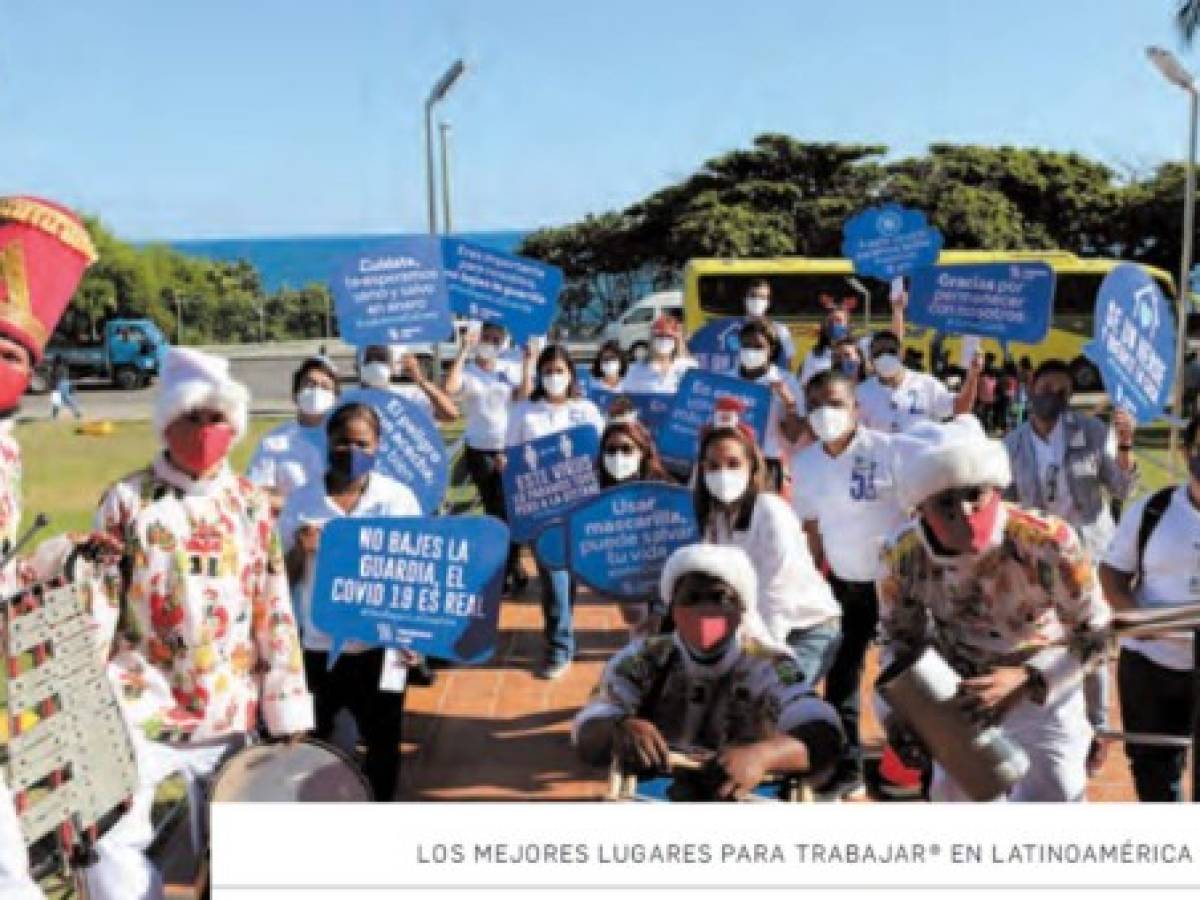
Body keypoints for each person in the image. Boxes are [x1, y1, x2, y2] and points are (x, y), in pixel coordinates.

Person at [87, 347, 313, 893]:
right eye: (193, 417)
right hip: (141, 701)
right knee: (108, 840)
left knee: (240, 846)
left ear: (233, 426)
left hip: (230, 702)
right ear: (168, 421)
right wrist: (85, 702)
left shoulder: (251, 504)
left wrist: (286, 700)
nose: (205, 430)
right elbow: (98, 604)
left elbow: (273, 605)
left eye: (217, 418)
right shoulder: (127, 500)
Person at [877, 415, 1110, 802]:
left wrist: (1027, 679)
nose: (964, 511)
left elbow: (1099, 634)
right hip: (956, 699)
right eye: (945, 501)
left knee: (1055, 801)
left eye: (975, 494)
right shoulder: (901, 556)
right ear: (920, 509)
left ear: (996, 489)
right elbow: (899, 645)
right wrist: (904, 716)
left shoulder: (1048, 542)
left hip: (1044, 691)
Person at [573, 543, 844, 801]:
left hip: (746, 791)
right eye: (692, 598)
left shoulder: (769, 664)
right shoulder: (642, 658)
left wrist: (764, 756)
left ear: (741, 609)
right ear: (673, 608)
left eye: (719, 598)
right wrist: (618, 728)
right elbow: (586, 735)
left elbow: (825, 736)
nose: (705, 610)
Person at [1003, 359, 1138, 774]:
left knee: (1092, 639)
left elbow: (1122, 488)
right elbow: (1005, 503)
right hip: (1036, 558)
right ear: (1031, 387)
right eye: (1046, 387)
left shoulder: (1092, 433)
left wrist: (1127, 445)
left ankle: (1097, 730)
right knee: (1042, 639)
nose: (1053, 397)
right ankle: (1044, 721)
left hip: (1088, 554)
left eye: (1062, 391)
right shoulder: (1012, 444)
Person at [280, 401, 420, 801]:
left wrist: (411, 634)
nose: (351, 451)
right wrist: (299, 551)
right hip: (320, 644)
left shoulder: (397, 501)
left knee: (383, 742)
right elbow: (279, 577)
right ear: (328, 442)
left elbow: (417, 571)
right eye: (343, 443)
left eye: (362, 443)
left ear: (377, 447)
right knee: (314, 738)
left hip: (381, 644)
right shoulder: (302, 501)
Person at [791, 369, 909, 799]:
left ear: (856, 408)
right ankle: (849, 768)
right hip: (845, 586)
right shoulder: (804, 464)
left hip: (898, 590)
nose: (827, 413)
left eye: (836, 403)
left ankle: (914, 768)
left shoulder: (891, 451)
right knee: (841, 679)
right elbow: (811, 527)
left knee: (907, 682)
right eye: (816, 405)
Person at [694, 399, 841, 688]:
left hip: (804, 629)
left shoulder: (770, 511)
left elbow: (776, 597)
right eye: (713, 466)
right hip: (753, 630)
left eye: (733, 464)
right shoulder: (714, 519)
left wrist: (761, 660)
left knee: (774, 698)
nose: (723, 473)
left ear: (752, 466)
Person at [1098, 413, 1200, 802]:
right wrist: (1137, 619)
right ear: (1188, 452)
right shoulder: (1153, 510)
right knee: (1154, 774)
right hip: (1148, 666)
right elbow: (1112, 573)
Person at [506, 344, 605, 678]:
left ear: (571, 375)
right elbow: (511, 456)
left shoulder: (587, 411)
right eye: (547, 371)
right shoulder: (523, 412)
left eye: (560, 371)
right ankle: (560, 647)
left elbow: (600, 454)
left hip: (580, 507)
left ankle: (563, 631)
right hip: (540, 510)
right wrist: (503, 464)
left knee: (568, 578)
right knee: (553, 577)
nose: (553, 377)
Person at [444, 322, 526, 592]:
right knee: (495, 511)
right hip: (480, 450)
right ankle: (504, 570)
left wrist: (528, 362)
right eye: (487, 337)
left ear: (503, 342)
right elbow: (450, 388)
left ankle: (511, 565)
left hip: (508, 447)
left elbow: (523, 394)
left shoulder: (508, 369)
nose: (491, 342)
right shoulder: (469, 372)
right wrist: (464, 350)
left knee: (510, 512)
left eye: (496, 338)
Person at [595, 414, 674, 637]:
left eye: (626, 449)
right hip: (630, 586)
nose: (618, 456)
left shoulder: (664, 494)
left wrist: (660, 609)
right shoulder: (598, 498)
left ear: (643, 452)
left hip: (668, 597)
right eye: (611, 450)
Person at [246, 354, 339, 515]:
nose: (316, 391)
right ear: (296, 394)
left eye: (325, 386)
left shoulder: (345, 439)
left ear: (335, 398)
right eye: (310, 384)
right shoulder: (274, 442)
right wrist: (302, 506)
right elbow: (257, 493)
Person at [856, 329, 981, 433]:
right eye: (878, 353)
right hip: (882, 460)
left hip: (921, 459)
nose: (885, 356)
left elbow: (960, 408)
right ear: (871, 359)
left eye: (891, 351)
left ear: (902, 354)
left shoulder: (926, 384)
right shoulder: (861, 392)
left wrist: (973, 375)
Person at [734, 320, 803, 491]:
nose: (751, 351)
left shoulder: (787, 381)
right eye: (746, 345)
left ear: (771, 350)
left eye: (758, 346)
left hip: (768, 463)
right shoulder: (724, 379)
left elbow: (795, 435)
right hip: (731, 460)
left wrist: (789, 403)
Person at [359, 343, 459, 422]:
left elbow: (450, 414)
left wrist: (419, 379)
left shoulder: (410, 395)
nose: (375, 363)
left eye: (380, 358)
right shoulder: (351, 399)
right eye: (370, 359)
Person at [621, 315, 695, 395]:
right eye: (659, 336)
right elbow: (626, 399)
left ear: (676, 340)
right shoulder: (635, 370)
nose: (664, 340)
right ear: (652, 339)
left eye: (669, 336)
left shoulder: (689, 368)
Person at [743, 278, 796, 371]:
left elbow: (788, 363)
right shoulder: (731, 328)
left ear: (768, 302)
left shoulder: (780, 330)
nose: (757, 300)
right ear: (745, 299)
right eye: (753, 295)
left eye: (762, 297)